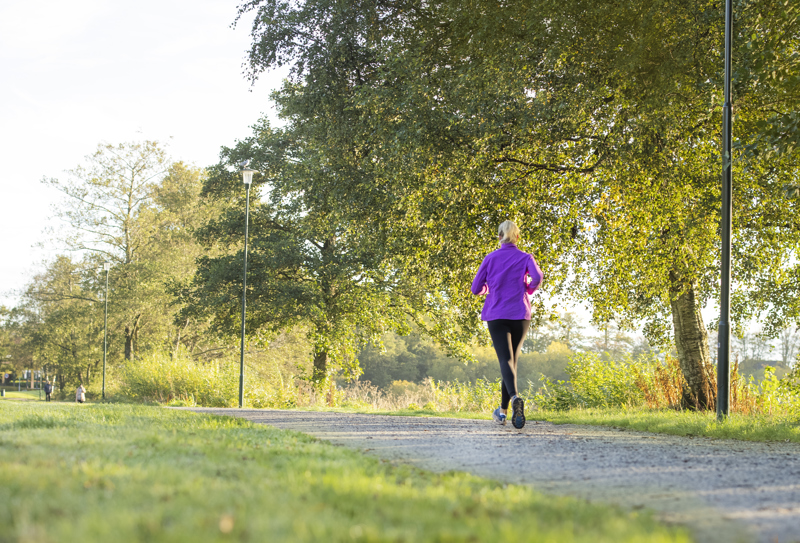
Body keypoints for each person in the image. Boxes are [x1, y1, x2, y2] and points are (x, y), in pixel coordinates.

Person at [471, 220, 543, 429]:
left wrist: (488, 290)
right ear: (517, 237)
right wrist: (528, 289)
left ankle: (513, 399)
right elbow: (538, 276)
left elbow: (476, 288)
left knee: (505, 360)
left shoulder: (490, 258)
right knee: (512, 362)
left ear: (500, 236)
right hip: (520, 314)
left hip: (496, 313)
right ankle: (503, 412)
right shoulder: (525, 257)